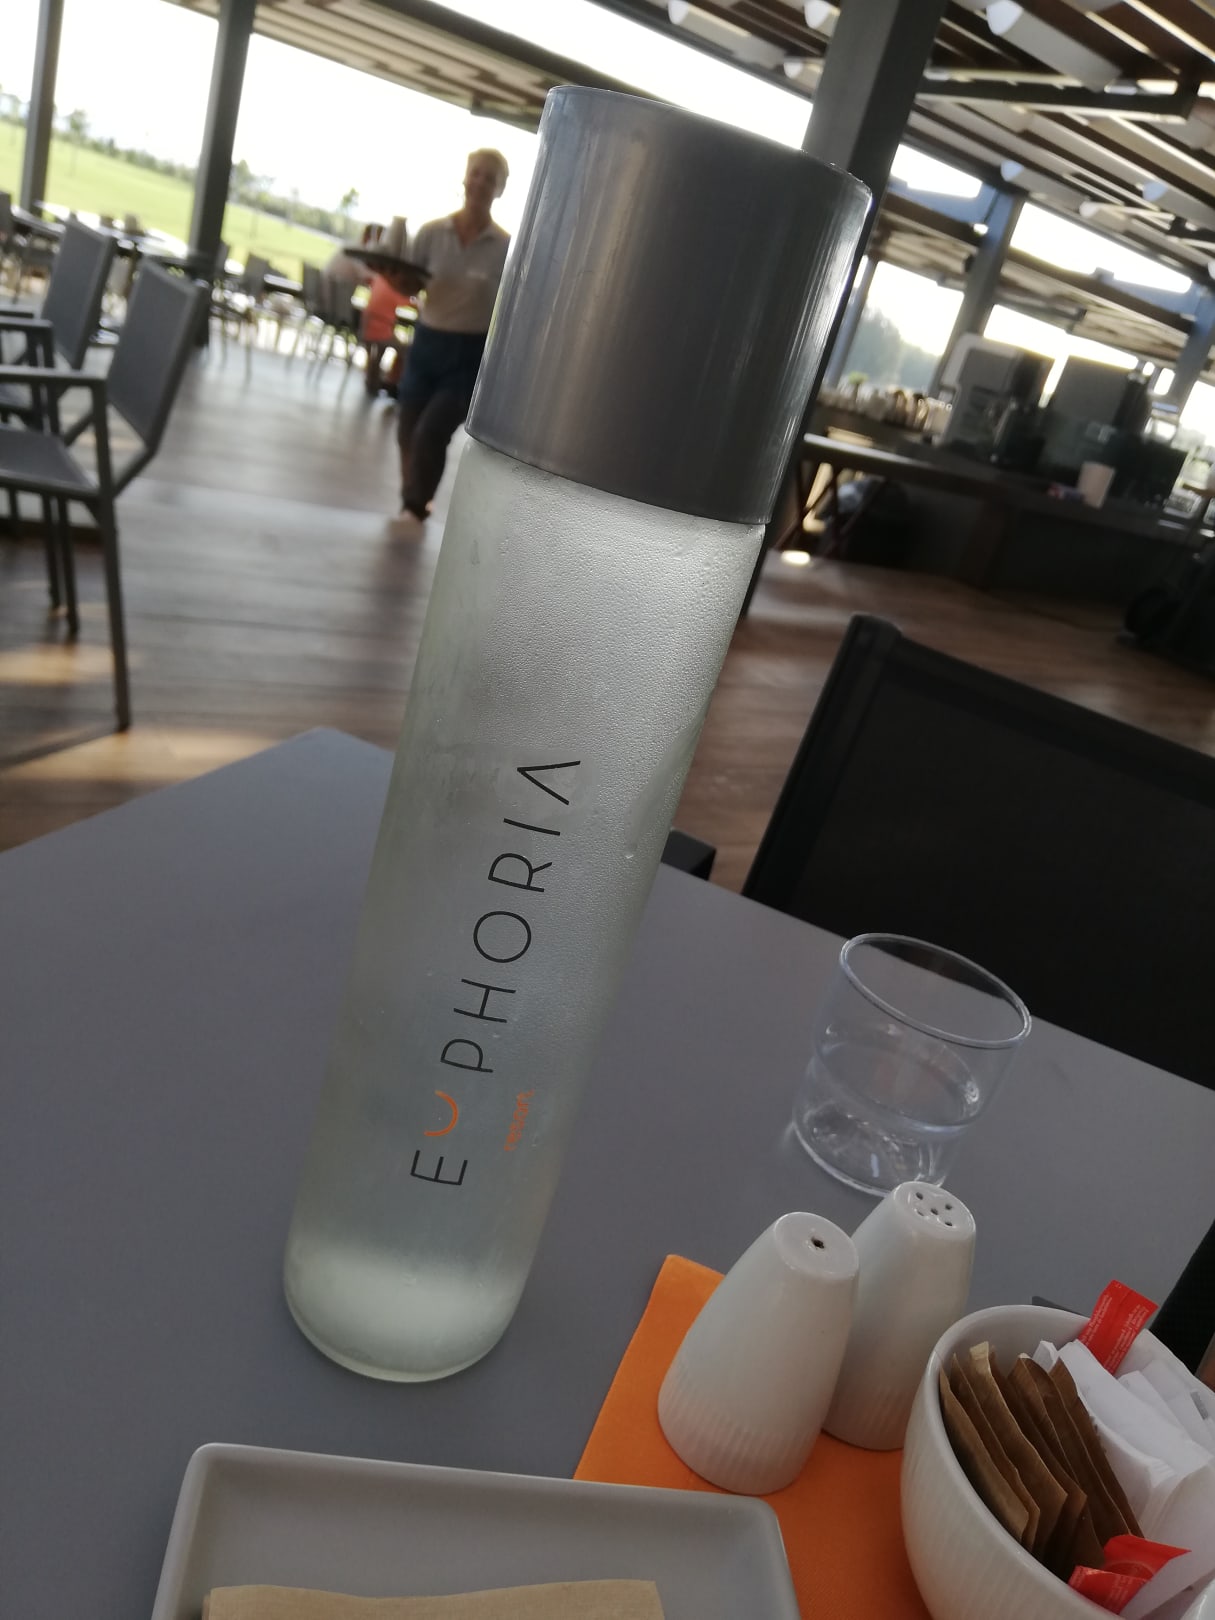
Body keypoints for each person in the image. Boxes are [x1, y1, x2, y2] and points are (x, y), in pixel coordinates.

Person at [389, 150, 511, 540]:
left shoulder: (506, 247)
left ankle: (414, 507)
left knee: (432, 431)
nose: (480, 182)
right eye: (476, 173)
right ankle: (415, 500)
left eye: (490, 178)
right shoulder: (431, 233)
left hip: (468, 355)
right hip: (427, 342)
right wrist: (395, 279)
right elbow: (411, 284)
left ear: (500, 189)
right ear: (465, 178)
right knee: (407, 429)